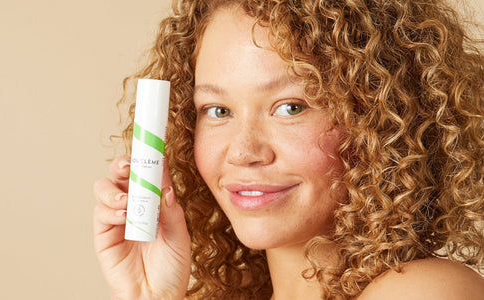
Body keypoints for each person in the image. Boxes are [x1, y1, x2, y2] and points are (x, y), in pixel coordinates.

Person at [93, 0, 484, 299]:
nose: (243, 152)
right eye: (218, 110)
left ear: (381, 121)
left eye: (291, 107)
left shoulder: (427, 291)